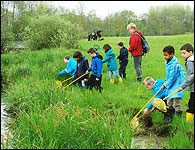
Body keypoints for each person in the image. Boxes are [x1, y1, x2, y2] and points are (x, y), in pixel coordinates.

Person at [160, 45, 186, 124]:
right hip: (171, 86)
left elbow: (173, 77)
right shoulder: (168, 62)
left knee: (176, 104)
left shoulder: (174, 64)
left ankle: (179, 118)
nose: (165, 57)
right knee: (169, 103)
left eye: (166, 55)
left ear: (172, 54)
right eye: (164, 55)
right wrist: (166, 81)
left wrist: (165, 85)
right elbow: (169, 76)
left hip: (177, 86)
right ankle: (170, 117)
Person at [178, 43, 194, 122]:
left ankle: (188, 123)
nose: (182, 55)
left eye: (184, 53)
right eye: (181, 53)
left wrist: (182, 86)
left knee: (191, 105)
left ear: (190, 52)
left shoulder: (190, 62)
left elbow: (192, 76)